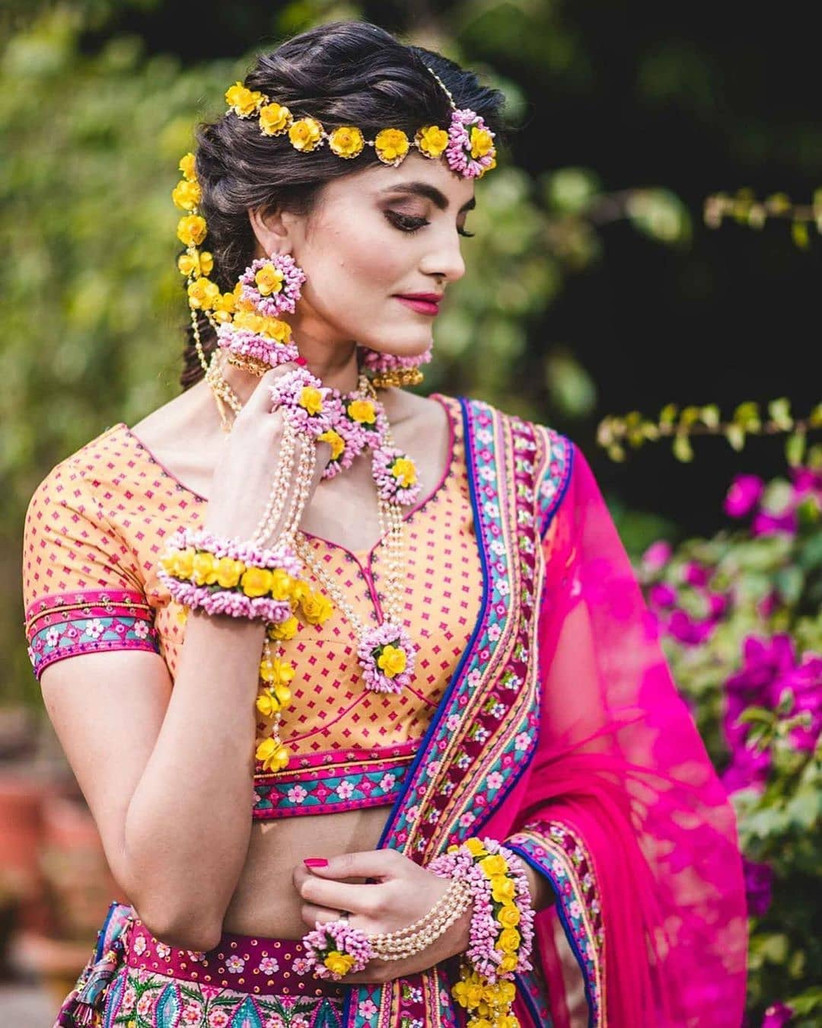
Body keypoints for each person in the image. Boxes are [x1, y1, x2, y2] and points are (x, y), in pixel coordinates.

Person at [21, 18, 747, 1028]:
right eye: (408, 216)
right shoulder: (101, 499)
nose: (449, 260)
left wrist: (478, 895)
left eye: (462, 222)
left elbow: (630, 793)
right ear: (277, 219)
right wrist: (239, 550)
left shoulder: (523, 475)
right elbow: (176, 896)